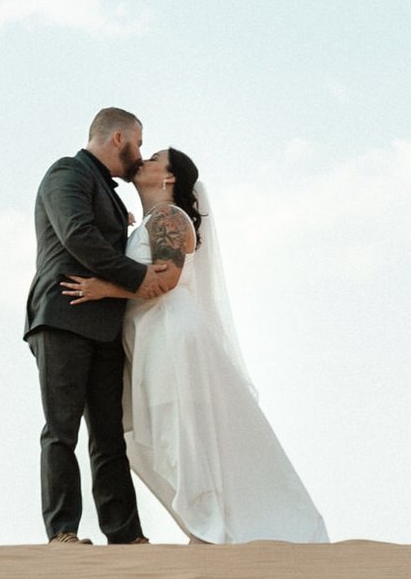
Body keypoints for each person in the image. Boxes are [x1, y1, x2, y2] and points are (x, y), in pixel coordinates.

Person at [62, 146, 329, 544]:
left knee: (180, 430)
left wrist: (104, 289)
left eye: (155, 159)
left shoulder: (170, 217)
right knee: (168, 431)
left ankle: (209, 532)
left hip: (171, 333)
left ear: (168, 178)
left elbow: (165, 280)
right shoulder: (152, 221)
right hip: (152, 335)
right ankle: (205, 526)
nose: (144, 161)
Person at [24, 107, 177, 545]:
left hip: (105, 325)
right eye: (139, 142)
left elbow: (102, 236)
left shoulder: (109, 192)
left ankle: (126, 534)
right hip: (64, 314)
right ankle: (63, 532)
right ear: (117, 139)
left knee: (109, 436)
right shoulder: (67, 173)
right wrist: (139, 279)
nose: (140, 152)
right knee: (61, 429)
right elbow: (77, 235)